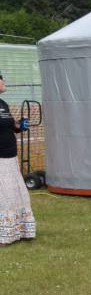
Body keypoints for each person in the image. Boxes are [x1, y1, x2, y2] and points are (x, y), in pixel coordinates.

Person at [0, 71, 36, 245]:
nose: (3, 82)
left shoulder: (3, 104)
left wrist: (20, 125)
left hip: (10, 157)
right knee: (3, 197)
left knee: (17, 195)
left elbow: (10, 126)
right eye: (1, 79)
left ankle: (19, 231)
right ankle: (4, 235)